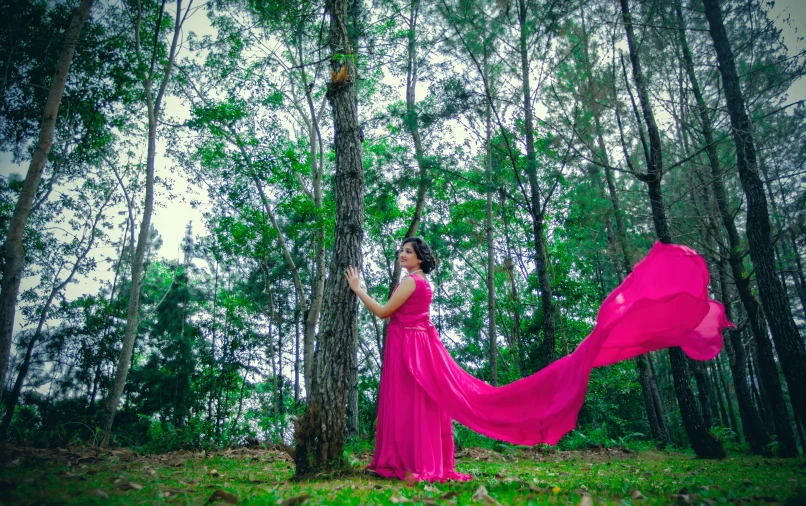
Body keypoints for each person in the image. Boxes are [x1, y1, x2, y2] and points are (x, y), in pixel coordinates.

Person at [345, 237, 730, 483]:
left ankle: (412, 463)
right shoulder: (419, 283)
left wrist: (359, 289)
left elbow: (382, 312)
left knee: (419, 403)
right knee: (424, 404)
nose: (402, 254)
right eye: (402, 250)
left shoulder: (413, 281)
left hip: (411, 348)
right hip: (415, 345)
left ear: (420, 258)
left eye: (408, 251)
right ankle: (411, 461)